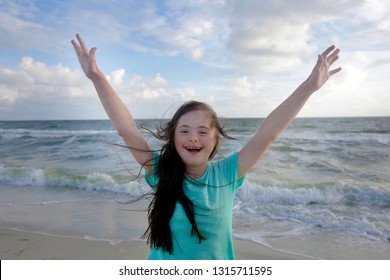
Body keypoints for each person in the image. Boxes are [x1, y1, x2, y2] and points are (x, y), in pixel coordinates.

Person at [71, 33, 341, 260]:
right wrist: (97, 77)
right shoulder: (160, 171)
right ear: (174, 138)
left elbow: (266, 134)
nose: (193, 138)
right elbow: (126, 129)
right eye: (185, 131)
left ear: (214, 141)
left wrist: (309, 87)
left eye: (202, 132)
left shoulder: (227, 173)